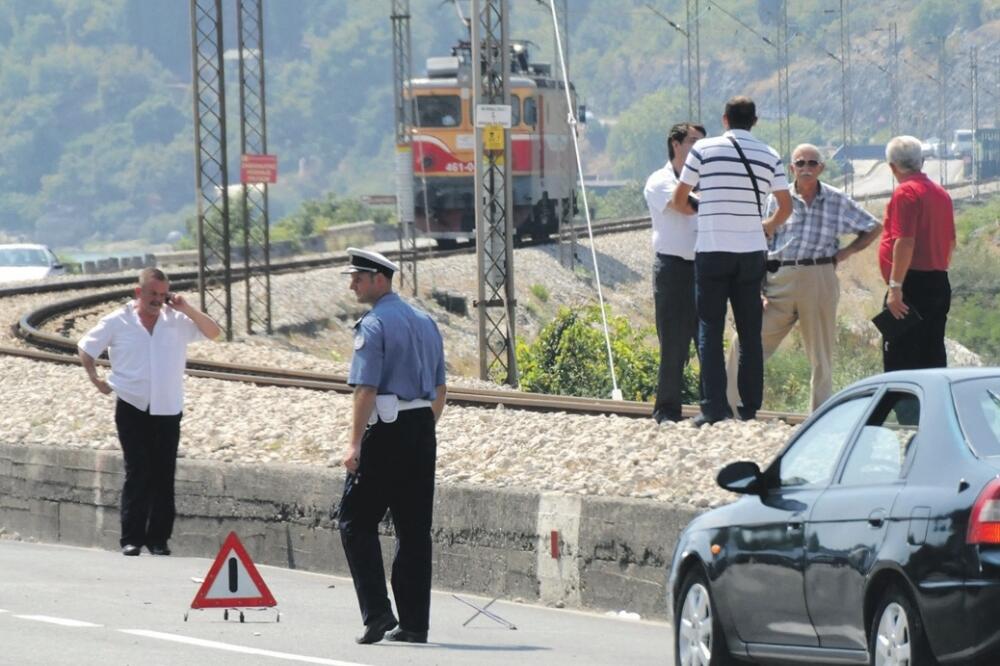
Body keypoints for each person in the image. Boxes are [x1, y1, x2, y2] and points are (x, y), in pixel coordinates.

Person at [336, 247, 447, 645]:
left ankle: (378, 613)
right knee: (414, 529)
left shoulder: (374, 324)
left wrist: (354, 443)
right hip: (421, 426)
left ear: (379, 279)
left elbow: (365, 388)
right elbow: (440, 388)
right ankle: (415, 624)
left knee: (354, 520)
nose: (353, 284)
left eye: (358, 278)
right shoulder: (425, 321)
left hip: (387, 426)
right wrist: (420, 429)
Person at [725, 143, 882, 412]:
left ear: (821, 167)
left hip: (818, 276)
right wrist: (757, 287)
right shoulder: (776, 199)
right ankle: (729, 407)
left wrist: (846, 252)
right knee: (747, 339)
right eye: (800, 163)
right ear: (791, 168)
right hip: (779, 278)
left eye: (812, 163)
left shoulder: (836, 199)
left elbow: (873, 226)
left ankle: (818, 415)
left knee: (821, 353)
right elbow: (760, 240)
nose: (806, 169)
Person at [78, 268, 221, 556]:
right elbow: (86, 347)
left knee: (163, 474)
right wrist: (95, 378)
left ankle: (158, 539)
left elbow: (215, 332)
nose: (158, 300)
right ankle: (131, 538)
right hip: (132, 404)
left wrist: (187, 307)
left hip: (168, 406)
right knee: (138, 470)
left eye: (162, 294)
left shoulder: (176, 320)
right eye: (152, 294)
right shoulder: (118, 320)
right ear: (138, 292)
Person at [671, 96, 792, 425]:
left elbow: (679, 199)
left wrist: (704, 212)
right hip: (751, 252)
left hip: (712, 250)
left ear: (724, 119)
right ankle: (750, 409)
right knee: (750, 333)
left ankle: (713, 408)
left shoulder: (703, 150)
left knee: (710, 328)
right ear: (755, 120)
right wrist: (766, 226)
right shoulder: (769, 155)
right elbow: (786, 206)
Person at [644, 121, 706, 424]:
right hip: (674, 268)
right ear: (676, 144)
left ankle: (712, 407)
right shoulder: (659, 180)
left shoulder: (707, 180)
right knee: (674, 343)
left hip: (705, 266)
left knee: (707, 339)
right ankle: (667, 410)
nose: (700, 148)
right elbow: (686, 206)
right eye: (694, 141)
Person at [879, 135, 955, 371]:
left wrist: (896, 287)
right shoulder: (940, 192)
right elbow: (951, 242)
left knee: (899, 359)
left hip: (911, 285)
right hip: (938, 281)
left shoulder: (906, 193)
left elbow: (905, 242)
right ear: (921, 161)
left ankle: (906, 409)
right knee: (931, 355)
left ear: (892, 166)